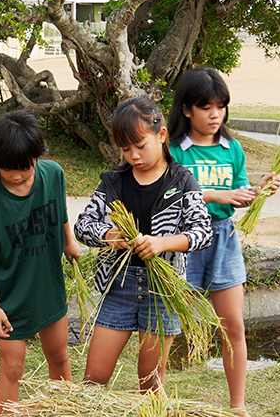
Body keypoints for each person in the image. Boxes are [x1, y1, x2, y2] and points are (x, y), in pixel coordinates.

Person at [168, 67, 280, 417]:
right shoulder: (171, 149)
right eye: (206, 107)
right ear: (187, 109)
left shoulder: (231, 148)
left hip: (223, 240)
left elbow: (239, 192)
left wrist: (259, 188)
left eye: (221, 107)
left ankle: (238, 408)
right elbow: (168, 194)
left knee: (233, 327)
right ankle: (153, 403)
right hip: (182, 241)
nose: (215, 114)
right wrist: (214, 195)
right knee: (166, 326)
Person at [75, 96, 212, 393]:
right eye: (125, 149)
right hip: (119, 287)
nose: (133, 156)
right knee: (94, 379)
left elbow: (203, 232)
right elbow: (82, 226)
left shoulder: (182, 182)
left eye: (140, 146)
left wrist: (163, 243)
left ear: (161, 135)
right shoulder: (113, 181)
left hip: (162, 291)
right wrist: (109, 236)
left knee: (150, 383)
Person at [0, 111, 81, 414]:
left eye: (25, 169)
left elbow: (60, 208)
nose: (17, 175)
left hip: (47, 285)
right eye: (8, 169)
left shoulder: (53, 174)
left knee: (58, 356)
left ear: (36, 157)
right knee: (12, 368)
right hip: (10, 298)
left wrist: (68, 241)